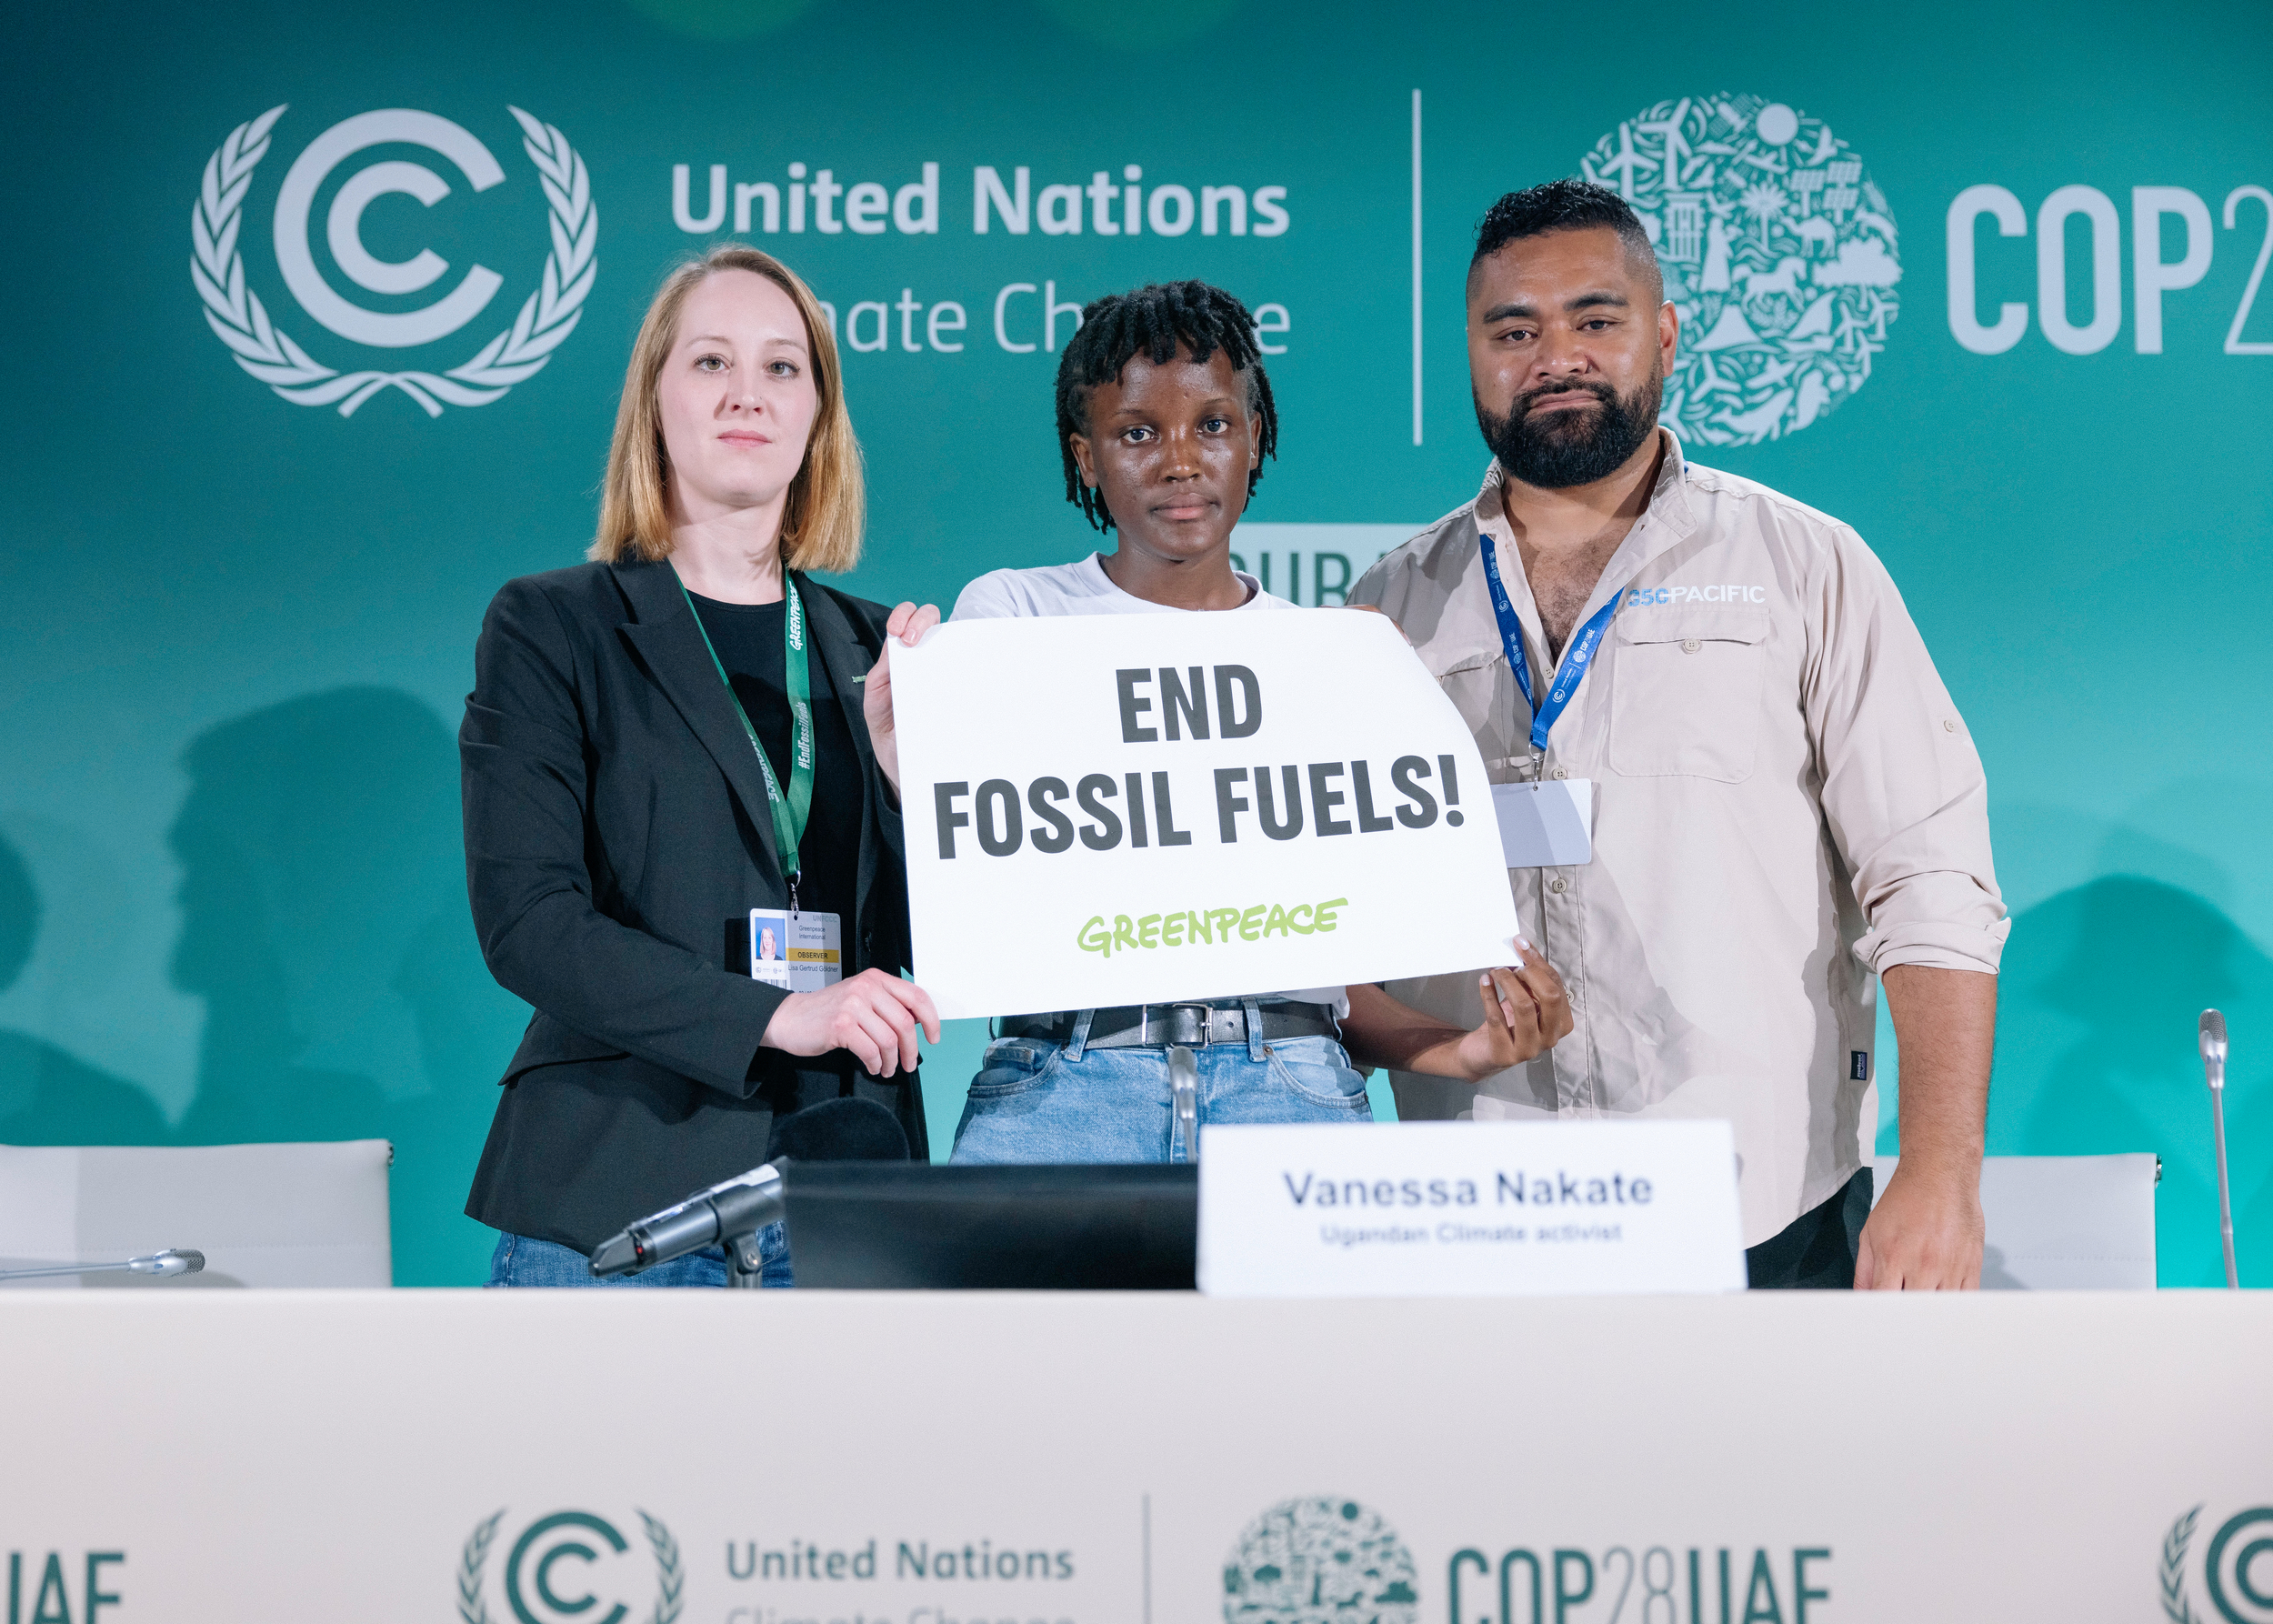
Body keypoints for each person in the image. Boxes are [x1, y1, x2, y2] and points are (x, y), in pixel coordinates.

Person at [1351, 180, 2006, 1288]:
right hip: (1477, 1217)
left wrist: (1939, 1171)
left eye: (1594, 321)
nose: (1554, 355)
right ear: (1468, 353)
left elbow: (1930, 876)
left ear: (1662, 335)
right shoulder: (1384, 613)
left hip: (1763, 1207)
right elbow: (1336, 931)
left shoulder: (1806, 567)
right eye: (1514, 330)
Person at [861, 281, 1573, 1163]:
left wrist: (1462, 1049)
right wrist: (909, 773)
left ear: (1254, 437)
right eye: (1136, 432)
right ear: (1085, 458)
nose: (1179, 460)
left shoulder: (1327, 657)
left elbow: (1332, 971)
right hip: (1065, 1089)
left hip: (1292, 1088)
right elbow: (981, 875)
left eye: (1212, 424)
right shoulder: (1013, 616)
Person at [461, 244, 938, 1287]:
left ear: (818, 412)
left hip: (844, 1193)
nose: (746, 395)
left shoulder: (880, 650)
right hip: (618, 1191)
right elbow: (528, 923)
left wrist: (911, 787)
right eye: (709, 361)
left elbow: (935, 948)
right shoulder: (553, 626)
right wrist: (776, 1013)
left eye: (781, 367)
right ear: (655, 400)